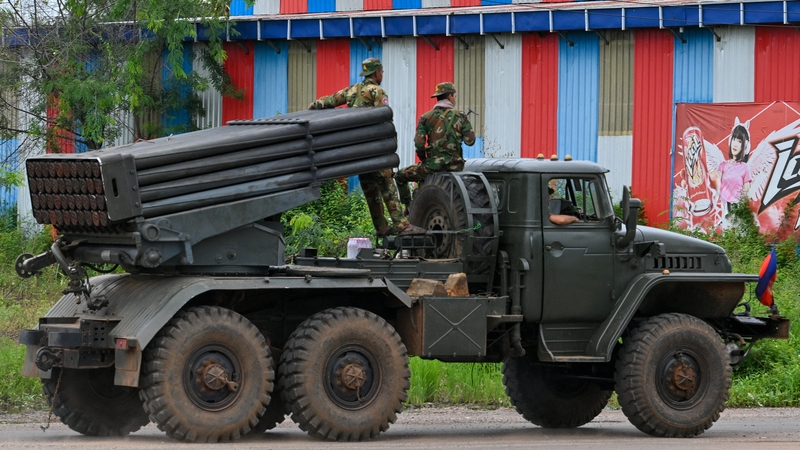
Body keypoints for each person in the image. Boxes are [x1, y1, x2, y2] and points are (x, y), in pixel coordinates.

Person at [309, 57, 425, 238]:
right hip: (374, 149)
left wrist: (313, 106)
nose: (382, 75)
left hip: (357, 151)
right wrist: (390, 144)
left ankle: (382, 228)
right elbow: (385, 118)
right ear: (377, 72)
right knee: (387, 185)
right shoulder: (377, 91)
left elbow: (329, 101)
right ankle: (403, 226)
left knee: (371, 190)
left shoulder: (351, 90)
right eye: (381, 72)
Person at [395, 82, 476, 209]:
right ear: (450, 97)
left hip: (432, 167)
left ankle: (409, 207)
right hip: (456, 166)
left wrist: (424, 159)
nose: (455, 99)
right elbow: (470, 142)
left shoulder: (425, 117)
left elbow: (419, 144)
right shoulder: (461, 116)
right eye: (455, 96)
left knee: (400, 176)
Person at [711, 118, 752, 218]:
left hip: (737, 211)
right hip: (723, 210)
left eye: (739, 141)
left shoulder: (745, 168)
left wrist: (741, 207)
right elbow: (715, 186)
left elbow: (746, 191)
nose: (735, 144)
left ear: (745, 146)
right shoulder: (722, 165)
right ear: (730, 140)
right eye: (734, 139)